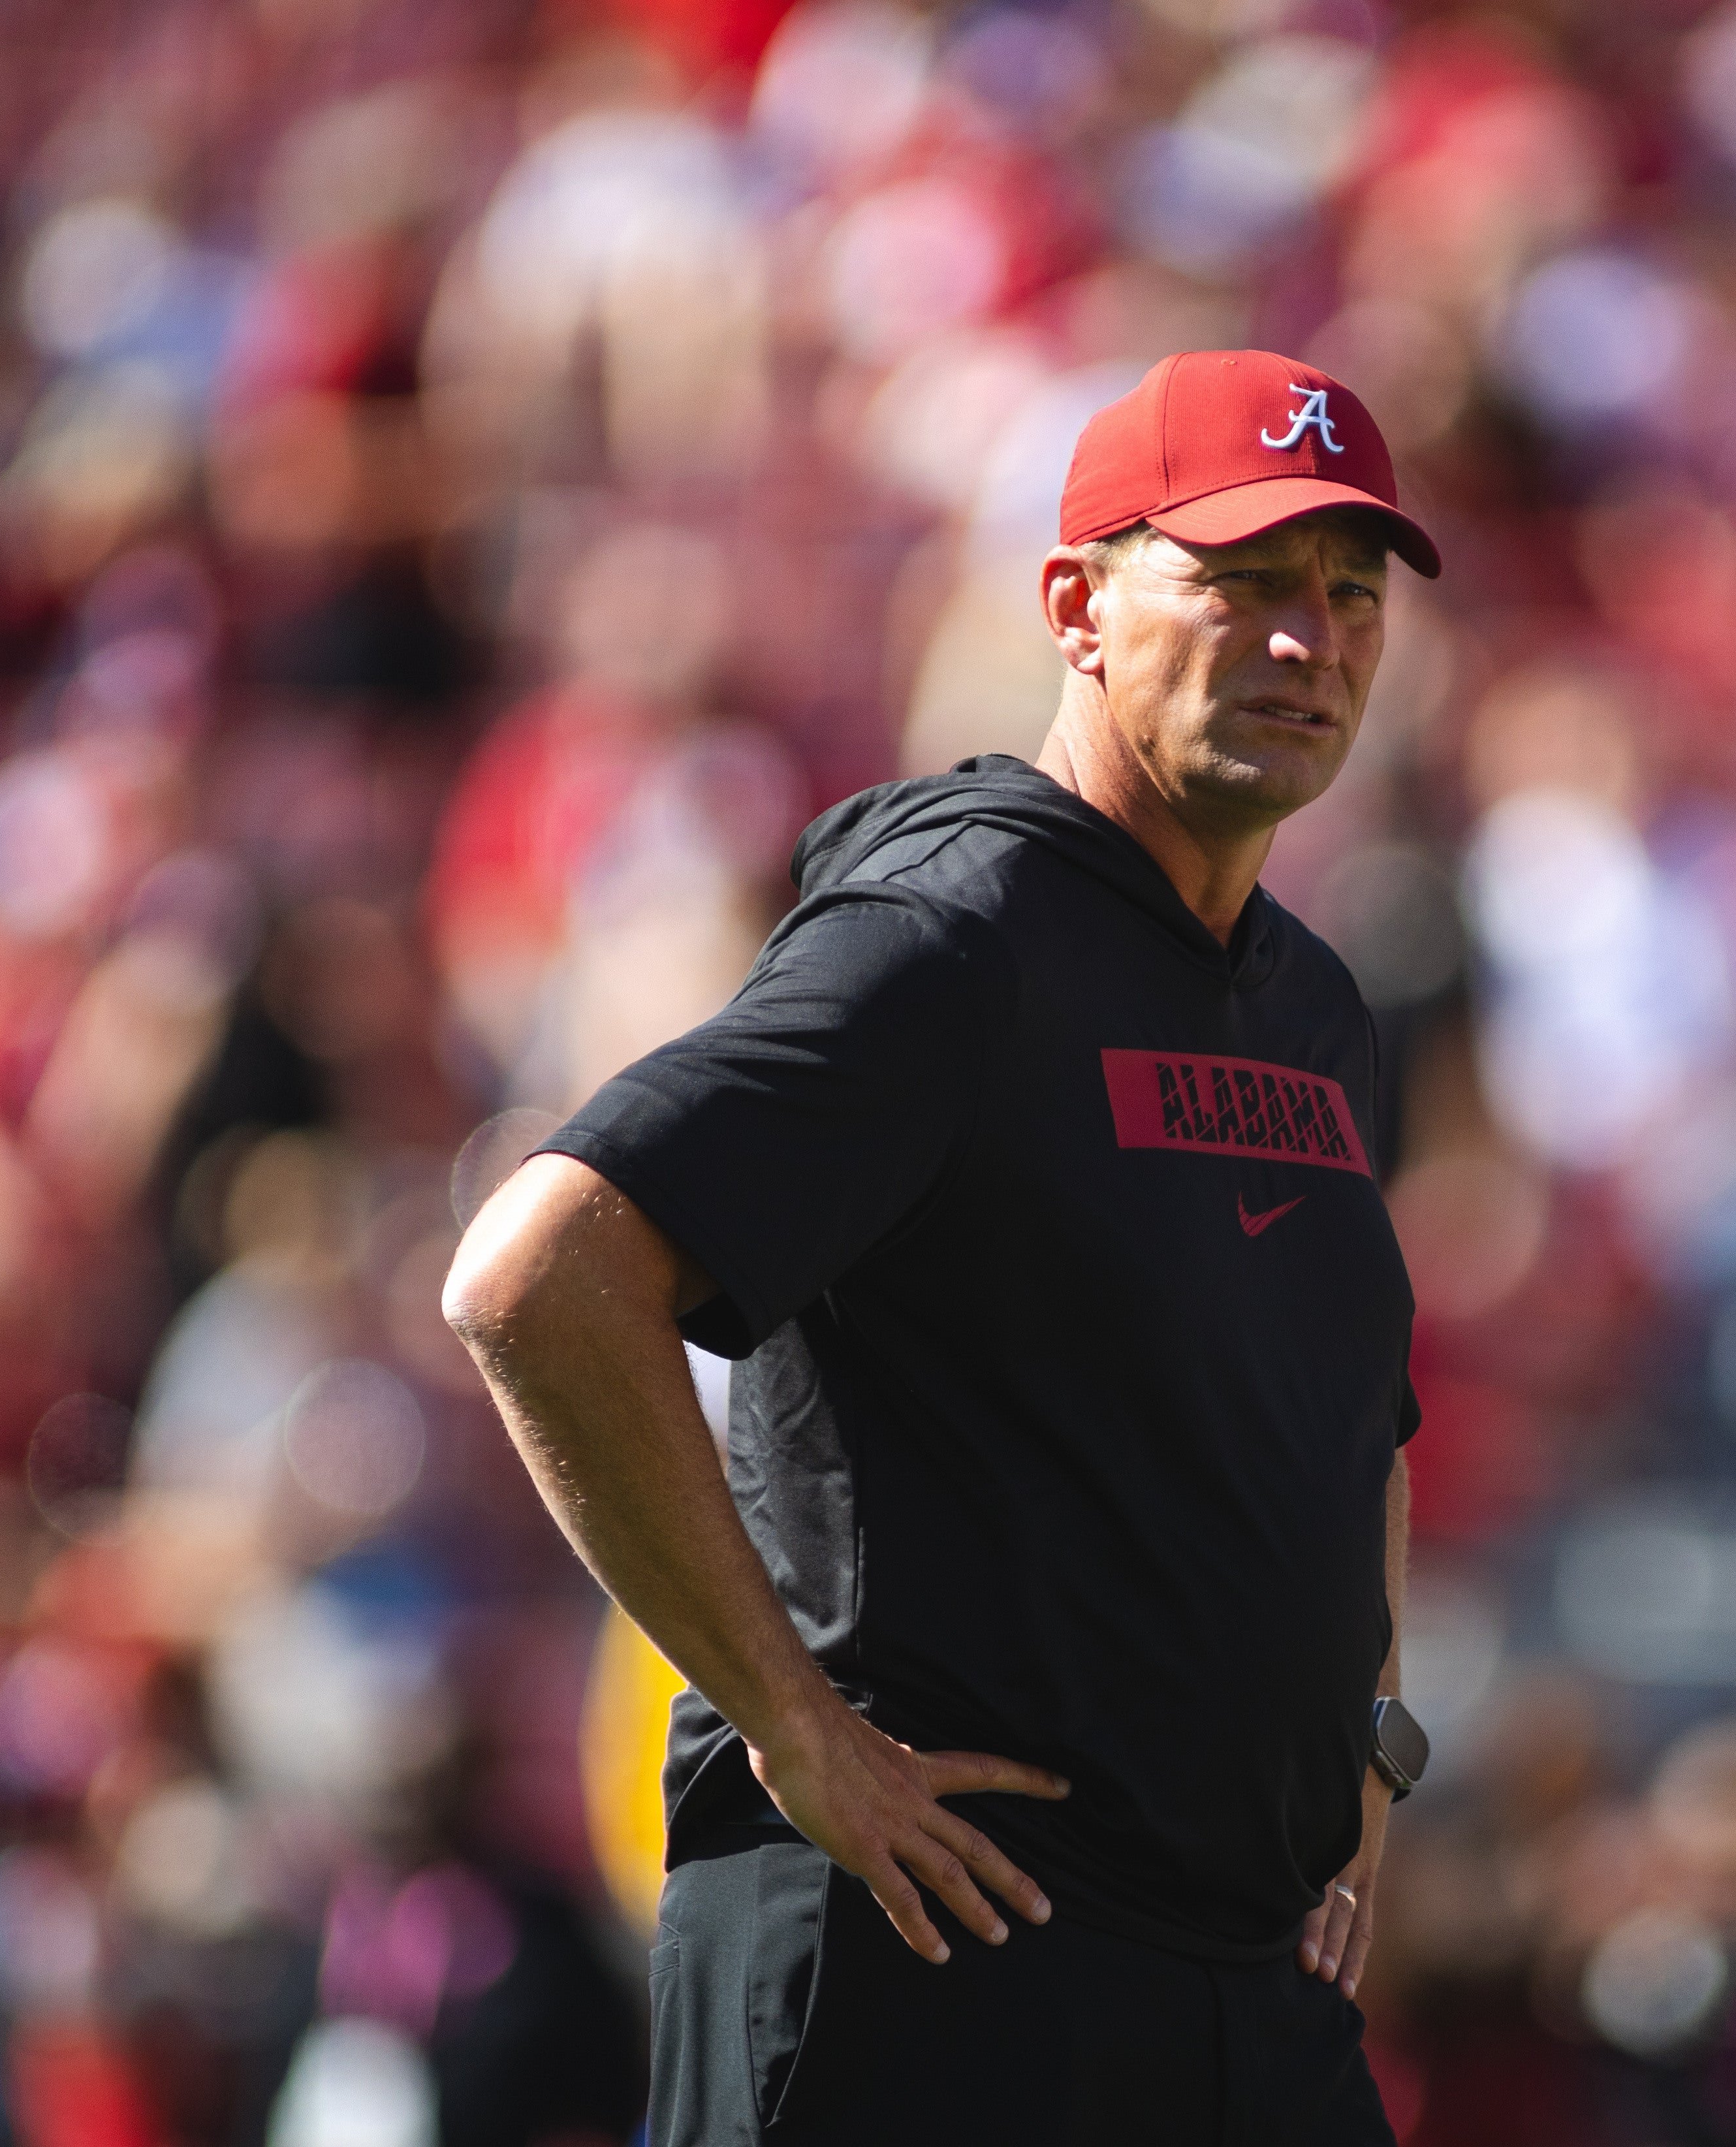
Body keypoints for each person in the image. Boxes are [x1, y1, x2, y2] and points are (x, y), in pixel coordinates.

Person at [445, 350, 1442, 2144]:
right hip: (938, 1954)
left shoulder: (1314, 1008)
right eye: (1240, 582)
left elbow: (1354, 1404)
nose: (1311, 641)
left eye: (1349, 594)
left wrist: (1365, 1736)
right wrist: (795, 1732)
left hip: (1238, 1981)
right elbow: (539, 1273)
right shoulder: (949, 941)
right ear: (1076, 605)